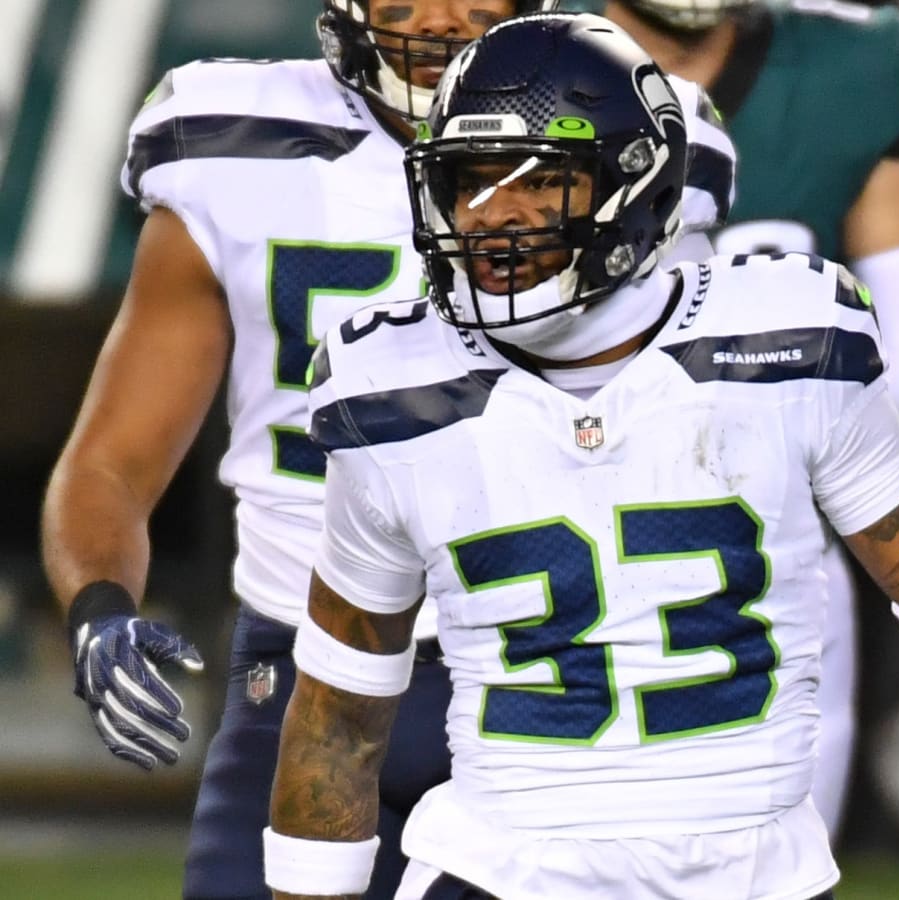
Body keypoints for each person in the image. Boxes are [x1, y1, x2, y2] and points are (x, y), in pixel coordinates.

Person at [266, 13, 899, 900]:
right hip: (502, 870)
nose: (496, 216)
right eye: (470, 180)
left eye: (542, 181)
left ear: (631, 188)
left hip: (754, 874)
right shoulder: (389, 389)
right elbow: (338, 711)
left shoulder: (784, 344)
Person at [40, 2, 733, 898]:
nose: (440, 18)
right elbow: (109, 461)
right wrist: (99, 604)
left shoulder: (636, 131)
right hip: (297, 670)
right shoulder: (228, 140)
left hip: (553, 677)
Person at [584, 0, 899, 837]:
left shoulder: (849, 64)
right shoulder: (510, 49)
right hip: (538, 537)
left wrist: (730, 419)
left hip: (757, 560)